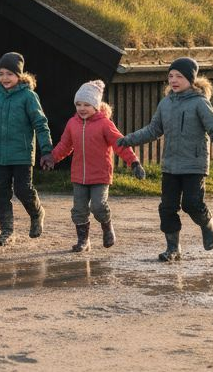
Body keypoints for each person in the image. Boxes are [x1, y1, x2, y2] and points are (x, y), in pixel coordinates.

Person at [116, 57, 213, 262]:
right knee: (167, 208)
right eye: (170, 76)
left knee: (192, 204)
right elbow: (154, 129)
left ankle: (207, 224)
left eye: (179, 76)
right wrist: (128, 139)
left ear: (191, 79)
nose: (174, 80)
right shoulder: (166, 103)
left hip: (194, 165)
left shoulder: (200, 103)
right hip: (170, 165)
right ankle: (173, 249)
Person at [41, 79, 145, 252]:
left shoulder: (105, 124)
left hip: (100, 175)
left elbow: (120, 144)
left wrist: (134, 163)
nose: (82, 108)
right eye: (78, 104)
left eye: (87, 104)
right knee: (79, 209)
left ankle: (107, 226)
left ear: (96, 106)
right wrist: (52, 157)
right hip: (78, 176)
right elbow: (65, 145)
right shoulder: (72, 123)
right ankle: (83, 240)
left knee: (98, 206)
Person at [0, 52, 53, 246]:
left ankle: (37, 213)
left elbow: (41, 124)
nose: (5, 78)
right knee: (0, 192)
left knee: (23, 190)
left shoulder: (29, 96)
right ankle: (7, 231)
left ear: (19, 75)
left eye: (9, 74)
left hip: (22, 153)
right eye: (1, 73)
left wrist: (47, 150)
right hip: (0, 154)